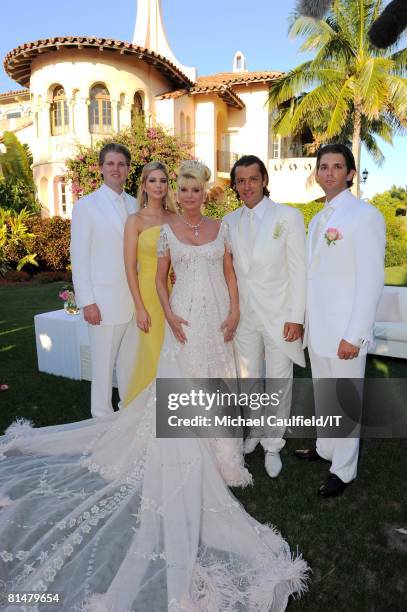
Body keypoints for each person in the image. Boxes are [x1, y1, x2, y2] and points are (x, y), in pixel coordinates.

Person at [0, 160, 308, 611]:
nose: (186, 194)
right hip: (183, 314)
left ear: (202, 192)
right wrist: (167, 313)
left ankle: (228, 449)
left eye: (192, 188)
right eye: (180, 188)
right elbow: (162, 281)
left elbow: (228, 273)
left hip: (220, 313)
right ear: (173, 192)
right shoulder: (164, 231)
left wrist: (234, 310)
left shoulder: (220, 226)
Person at [295, 144, 386, 497]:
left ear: (349, 173)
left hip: (345, 330)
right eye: (323, 167)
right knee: (325, 396)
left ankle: (344, 471)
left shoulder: (364, 215)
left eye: (337, 166)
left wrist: (356, 334)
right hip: (319, 328)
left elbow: (371, 279)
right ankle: (326, 449)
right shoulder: (318, 219)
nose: (329, 172)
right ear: (317, 173)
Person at [225, 155, 307, 478]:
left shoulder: (288, 217)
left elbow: (299, 270)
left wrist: (296, 316)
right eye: (241, 180)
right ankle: (256, 430)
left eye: (252, 179)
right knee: (248, 379)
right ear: (235, 185)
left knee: (277, 381)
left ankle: (273, 445)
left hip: (280, 317)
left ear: (264, 180)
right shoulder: (228, 222)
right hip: (245, 317)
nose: (247, 186)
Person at [70, 142, 139, 418]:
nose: (116, 169)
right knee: (102, 369)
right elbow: (80, 256)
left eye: (121, 164)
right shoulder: (86, 206)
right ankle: (100, 422)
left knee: (129, 365)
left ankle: (126, 416)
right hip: (103, 303)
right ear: (100, 168)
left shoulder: (136, 204)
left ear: (128, 169)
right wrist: (87, 301)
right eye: (110, 163)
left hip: (134, 303)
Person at [123, 161, 176, 406]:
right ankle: (148, 416)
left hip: (175, 295)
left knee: (174, 356)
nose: (158, 185)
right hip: (148, 296)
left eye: (163, 180)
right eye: (152, 180)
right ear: (143, 185)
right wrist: (139, 307)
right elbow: (130, 267)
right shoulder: (135, 220)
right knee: (156, 355)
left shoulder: (176, 218)